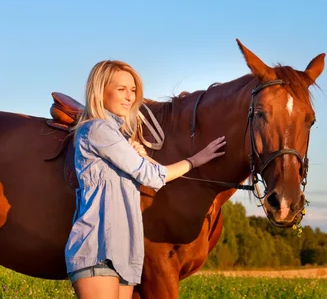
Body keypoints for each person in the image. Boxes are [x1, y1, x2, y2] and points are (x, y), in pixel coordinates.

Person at [64, 60, 226, 299]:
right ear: (100, 91)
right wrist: (196, 160)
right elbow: (152, 176)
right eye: (121, 89)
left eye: (133, 90)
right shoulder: (97, 129)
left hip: (125, 254)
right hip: (98, 250)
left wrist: (143, 157)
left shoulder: (118, 137)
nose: (130, 97)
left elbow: (148, 171)